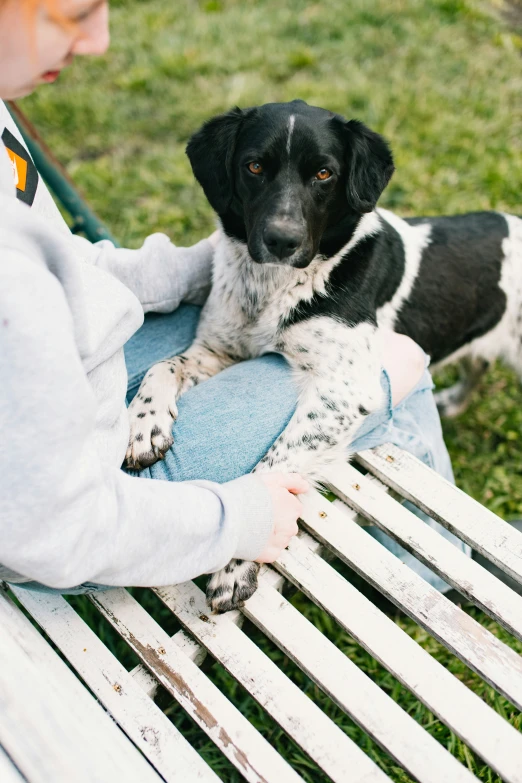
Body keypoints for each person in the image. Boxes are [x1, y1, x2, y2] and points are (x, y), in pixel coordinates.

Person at [0, 0, 467, 596]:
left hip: (81, 383)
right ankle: (437, 569)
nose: (98, 39)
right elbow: (52, 530)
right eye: (74, 12)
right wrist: (242, 518)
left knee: (327, 353)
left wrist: (200, 267)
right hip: (91, 496)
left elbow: (63, 265)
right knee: (392, 364)